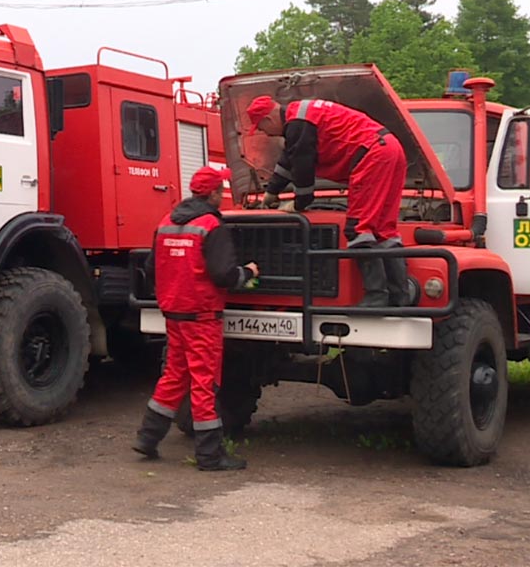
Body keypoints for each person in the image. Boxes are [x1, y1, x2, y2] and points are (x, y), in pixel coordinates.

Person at [133, 165, 259, 471]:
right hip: (202, 316)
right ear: (214, 194)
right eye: (221, 190)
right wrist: (248, 273)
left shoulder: (166, 222)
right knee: (205, 382)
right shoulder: (211, 225)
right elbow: (223, 274)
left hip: (174, 313)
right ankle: (210, 455)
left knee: (174, 376)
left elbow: (151, 268)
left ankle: (147, 438)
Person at [245, 95, 409, 307]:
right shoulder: (300, 118)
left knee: (359, 229)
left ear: (268, 118)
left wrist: (298, 204)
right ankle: (400, 297)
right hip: (390, 148)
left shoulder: (298, 123)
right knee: (384, 230)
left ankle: (376, 296)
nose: (263, 133)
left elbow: (303, 166)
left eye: (261, 127)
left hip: (372, 155)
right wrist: (271, 192)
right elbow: (290, 158)